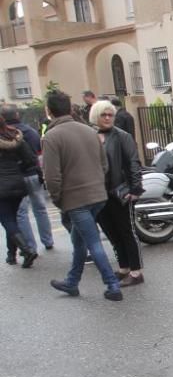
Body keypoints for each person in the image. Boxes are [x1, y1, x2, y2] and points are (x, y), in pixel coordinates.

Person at [41, 90, 123, 301]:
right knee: (79, 240)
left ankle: (112, 285)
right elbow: (104, 164)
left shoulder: (51, 137)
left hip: (76, 199)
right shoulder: (89, 131)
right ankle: (72, 281)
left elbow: (51, 176)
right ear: (69, 108)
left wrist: (58, 198)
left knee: (92, 242)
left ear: (49, 111)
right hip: (97, 195)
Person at [90, 100, 145, 286]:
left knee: (127, 232)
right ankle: (124, 268)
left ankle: (136, 272)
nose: (107, 118)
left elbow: (133, 162)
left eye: (110, 115)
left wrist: (135, 189)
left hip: (120, 192)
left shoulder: (122, 136)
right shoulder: (90, 136)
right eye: (103, 115)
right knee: (112, 233)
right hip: (98, 194)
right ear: (95, 116)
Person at [1, 106, 53, 259]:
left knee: (16, 216)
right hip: (26, 177)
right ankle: (47, 241)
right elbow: (32, 155)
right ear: (16, 115)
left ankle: (29, 247)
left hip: (9, 182)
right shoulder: (21, 133)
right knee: (40, 208)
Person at [0, 115, 39, 269]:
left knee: (7, 220)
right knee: (12, 220)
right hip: (18, 183)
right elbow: (30, 159)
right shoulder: (15, 137)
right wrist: (18, 169)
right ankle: (11, 255)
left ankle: (26, 250)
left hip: (1, 187)